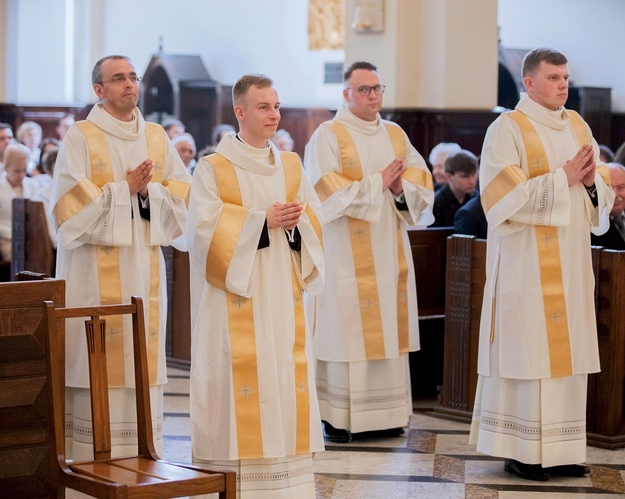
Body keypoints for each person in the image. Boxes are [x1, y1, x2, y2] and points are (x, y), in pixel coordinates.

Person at [468, 48, 614, 482]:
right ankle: (523, 451)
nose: (563, 84)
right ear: (529, 83)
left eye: (565, 76)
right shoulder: (506, 128)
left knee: (567, 357)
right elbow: (498, 199)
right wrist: (562, 178)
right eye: (553, 77)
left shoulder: (578, 125)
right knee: (527, 356)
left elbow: (600, 192)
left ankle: (564, 449)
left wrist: (589, 183)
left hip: (570, 263)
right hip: (525, 267)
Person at [188, 73, 325, 496]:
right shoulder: (213, 168)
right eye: (264, 107)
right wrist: (261, 221)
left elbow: (315, 221)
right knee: (242, 383)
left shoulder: (291, 164)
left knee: (283, 376)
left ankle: (288, 485)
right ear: (240, 111)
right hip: (237, 301)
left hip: (283, 296)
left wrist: (297, 225)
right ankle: (239, 486)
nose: (275, 114)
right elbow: (202, 233)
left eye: (277, 106)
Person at [50, 54, 190, 460]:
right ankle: (91, 463)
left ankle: (143, 459)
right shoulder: (81, 136)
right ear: (99, 90)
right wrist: (123, 189)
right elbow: (67, 212)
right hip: (93, 275)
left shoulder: (157, 136)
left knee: (139, 364)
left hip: (143, 269)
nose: (129, 84)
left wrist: (149, 193)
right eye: (118, 79)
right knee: (98, 363)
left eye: (133, 77)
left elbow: (183, 197)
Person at [304, 61, 434, 442]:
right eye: (363, 89)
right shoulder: (327, 135)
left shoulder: (395, 135)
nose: (373, 95)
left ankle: (387, 416)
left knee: (388, 334)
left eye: (377, 88)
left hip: (388, 250)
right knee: (344, 333)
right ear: (346, 94)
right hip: (344, 253)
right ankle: (341, 418)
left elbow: (420, 183)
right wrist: (378, 183)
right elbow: (322, 192)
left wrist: (396, 190)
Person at [0, 143, 36, 261]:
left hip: (33, 238)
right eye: (17, 171)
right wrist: (15, 235)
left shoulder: (33, 185)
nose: (21, 175)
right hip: (8, 241)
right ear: (6, 167)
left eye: (24, 170)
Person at [432, 149, 478, 227]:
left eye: (474, 175)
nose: (472, 182)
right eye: (465, 176)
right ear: (449, 176)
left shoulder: (477, 197)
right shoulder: (436, 203)